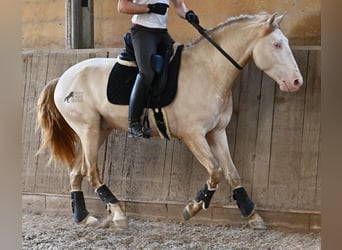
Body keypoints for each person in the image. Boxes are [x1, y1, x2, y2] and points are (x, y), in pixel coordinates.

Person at [117, 0, 200, 137]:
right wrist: (149, 8)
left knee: (180, 62)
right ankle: (133, 122)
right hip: (142, 32)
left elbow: (179, 5)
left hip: (162, 33)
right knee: (148, 73)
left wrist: (188, 14)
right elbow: (122, 6)